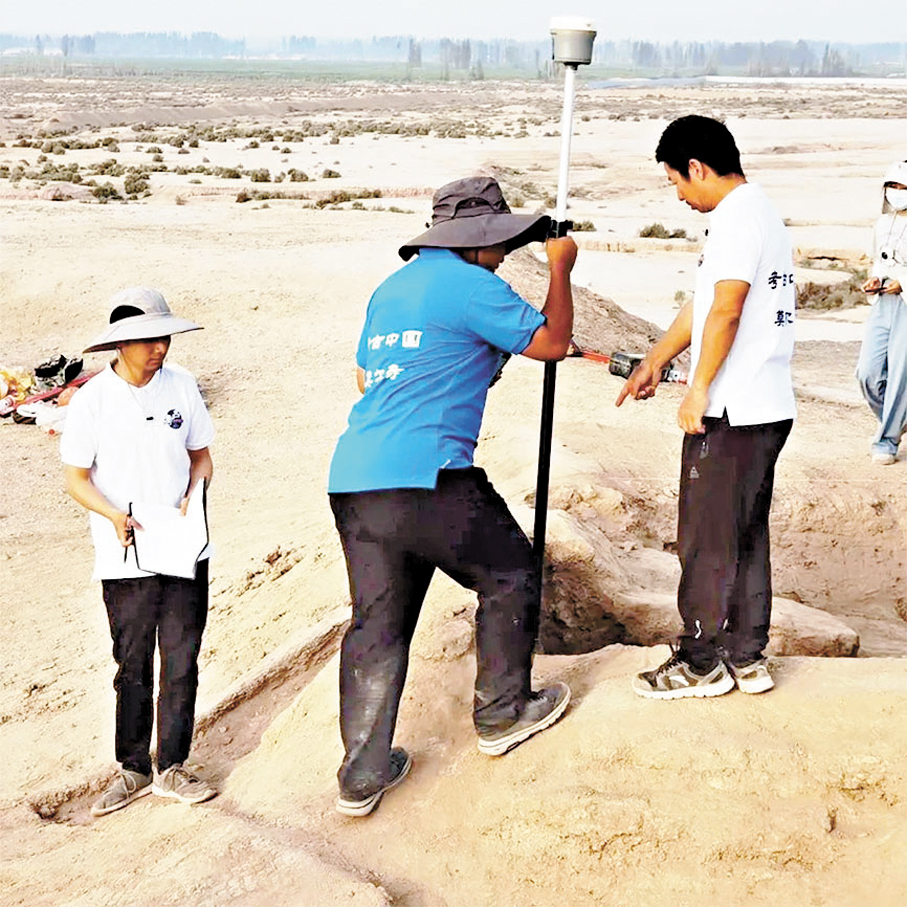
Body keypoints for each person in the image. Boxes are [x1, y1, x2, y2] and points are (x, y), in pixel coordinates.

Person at [327, 176, 577, 817]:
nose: (501, 254)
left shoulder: (390, 289)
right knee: (509, 574)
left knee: (377, 624)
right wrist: (561, 269)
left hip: (354, 480)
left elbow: (364, 376)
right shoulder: (472, 284)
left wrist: (467, 361)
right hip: (431, 473)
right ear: (472, 241)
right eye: (496, 242)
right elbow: (550, 344)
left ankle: (363, 772)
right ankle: (503, 712)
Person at [616, 115, 796, 700]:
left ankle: (699, 663)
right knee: (744, 531)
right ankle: (747, 656)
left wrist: (699, 390)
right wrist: (655, 361)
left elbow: (726, 309)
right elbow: (702, 307)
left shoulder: (737, 218)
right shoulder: (757, 211)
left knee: (705, 537)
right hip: (766, 404)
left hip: (733, 410)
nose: (679, 195)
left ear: (697, 167)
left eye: (676, 182)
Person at [60, 287, 217, 816]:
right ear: (120, 345)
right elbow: (76, 479)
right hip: (123, 549)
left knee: (182, 657)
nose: (160, 348)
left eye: (164, 337)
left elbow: (201, 457)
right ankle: (132, 767)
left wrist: (193, 502)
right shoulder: (92, 401)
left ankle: (173, 765)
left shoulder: (184, 386)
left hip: (183, 544)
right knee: (132, 662)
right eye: (148, 339)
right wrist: (113, 516)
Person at [857, 159, 907, 466]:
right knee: (868, 374)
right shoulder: (882, 223)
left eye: (903, 187)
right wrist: (874, 279)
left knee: (902, 374)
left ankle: (887, 440)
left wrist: (902, 283)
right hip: (882, 302)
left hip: (905, 303)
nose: (897, 192)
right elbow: (880, 261)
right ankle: (899, 417)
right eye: (892, 186)